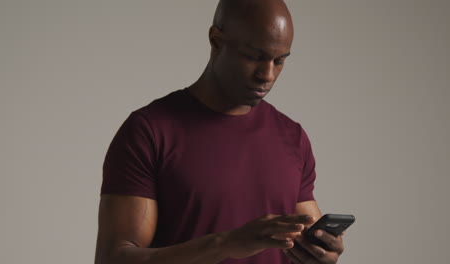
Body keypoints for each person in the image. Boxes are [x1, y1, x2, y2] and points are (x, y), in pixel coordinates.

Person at [94, 0, 347, 263]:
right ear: (216, 40)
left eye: (279, 61)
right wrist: (224, 244)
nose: (267, 74)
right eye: (254, 56)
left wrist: (321, 252)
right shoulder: (148, 131)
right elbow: (114, 259)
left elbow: (305, 239)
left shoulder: (292, 137)